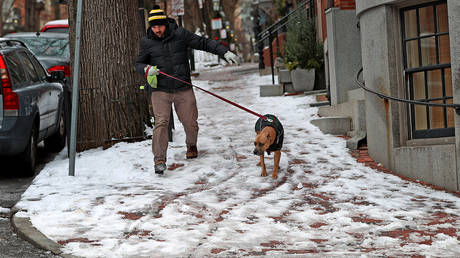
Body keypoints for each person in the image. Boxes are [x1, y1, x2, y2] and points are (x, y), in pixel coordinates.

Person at [135, 5, 239, 175]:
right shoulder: (147, 42)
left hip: (182, 86)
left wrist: (224, 51)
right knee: (161, 123)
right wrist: (146, 69)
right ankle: (159, 159)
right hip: (160, 89)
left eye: (159, 26)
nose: (157, 30)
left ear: (165, 24)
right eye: (154, 27)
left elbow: (203, 42)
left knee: (190, 122)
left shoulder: (180, 34)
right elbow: (138, 64)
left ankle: (191, 144)